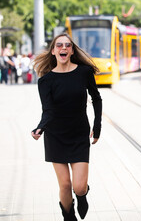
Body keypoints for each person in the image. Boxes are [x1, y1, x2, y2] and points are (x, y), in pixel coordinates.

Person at [31, 33, 102, 221]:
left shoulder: (84, 72)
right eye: (59, 45)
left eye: (67, 45)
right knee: (64, 185)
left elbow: (96, 98)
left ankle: (82, 195)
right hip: (56, 136)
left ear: (71, 50)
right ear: (53, 51)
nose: (63, 48)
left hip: (79, 134)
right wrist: (40, 128)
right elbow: (48, 111)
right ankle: (69, 217)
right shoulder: (45, 81)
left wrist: (97, 125)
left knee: (78, 187)